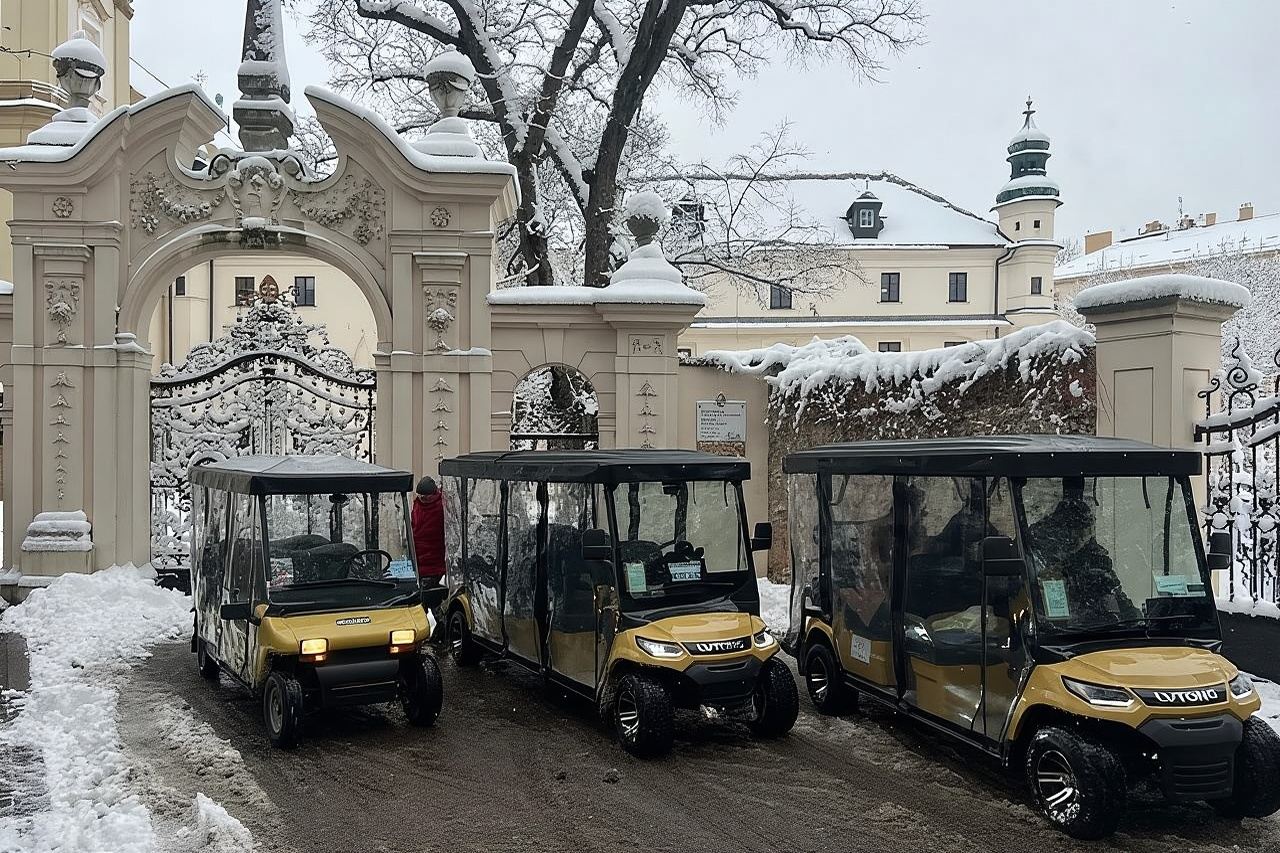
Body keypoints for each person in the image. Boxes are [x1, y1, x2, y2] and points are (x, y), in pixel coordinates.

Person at [412, 476, 446, 587]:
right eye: (421, 496)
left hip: (435, 561)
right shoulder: (417, 505)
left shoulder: (442, 506)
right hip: (418, 560)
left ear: (433, 495)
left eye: (426, 497)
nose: (423, 499)